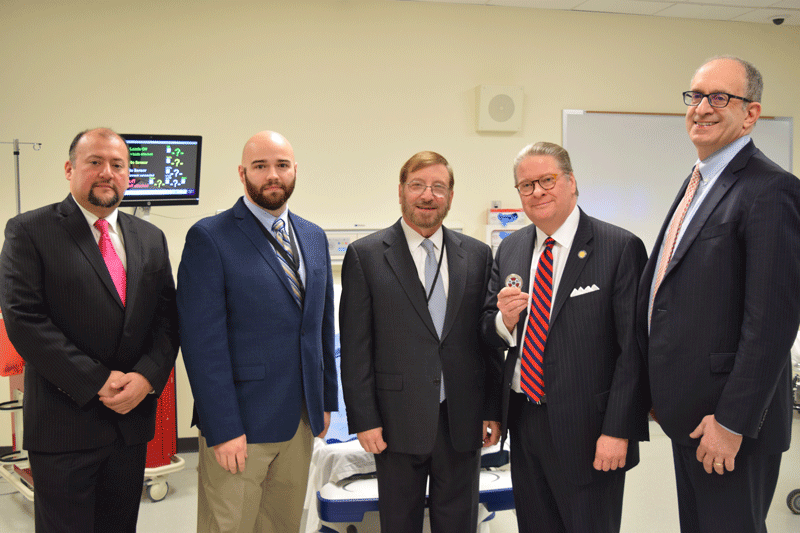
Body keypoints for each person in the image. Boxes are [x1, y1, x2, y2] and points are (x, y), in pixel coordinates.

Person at [639, 56, 800, 533]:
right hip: (691, 418)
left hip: (728, 427)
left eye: (719, 97)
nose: (702, 108)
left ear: (750, 113)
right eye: (695, 95)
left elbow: (771, 324)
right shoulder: (699, 182)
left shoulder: (770, 189)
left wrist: (731, 423)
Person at [0, 128, 179, 533]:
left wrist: (148, 377)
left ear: (128, 176)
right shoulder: (30, 230)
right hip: (65, 425)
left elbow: (167, 320)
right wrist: (97, 380)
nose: (106, 172)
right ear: (70, 168)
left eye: (117, 165)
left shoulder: (149, 238)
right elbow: (24, 320)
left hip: (129, 425)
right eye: (94, 162)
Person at [480, 142, 649, 533]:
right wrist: (505, 321)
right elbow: (488, 330)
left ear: (572, 183)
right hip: (525, 421)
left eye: (547, 180)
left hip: (591, 431)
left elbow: (633, 351)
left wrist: (617, 430)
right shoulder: (511, 248)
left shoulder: (618, 247)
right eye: (526, 185)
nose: (537, 191)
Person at [177, 131, 337, 533]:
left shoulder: (314, 237)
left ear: (295, 170)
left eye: (281, 165)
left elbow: (321, 326)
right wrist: (223, 427)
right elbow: (202, 344)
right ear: (242, 173)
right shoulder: (210, 237)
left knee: (282, 526)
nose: (272, 175)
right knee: (230, 525)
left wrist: (325, 400)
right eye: (260, 166)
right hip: (242, 426)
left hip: (299, 420)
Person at [339, 151, 503, 533]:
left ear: (449, 195)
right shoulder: (366, 256)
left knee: (460, 523)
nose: (427, 195)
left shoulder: (477, 255)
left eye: (438, 187)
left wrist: (492, 408)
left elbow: (487, 343)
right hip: (395, 420)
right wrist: (364, 419)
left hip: (461, 419)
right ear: (401, 192)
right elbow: (356, 348)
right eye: (417, 186)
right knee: (399, 523)